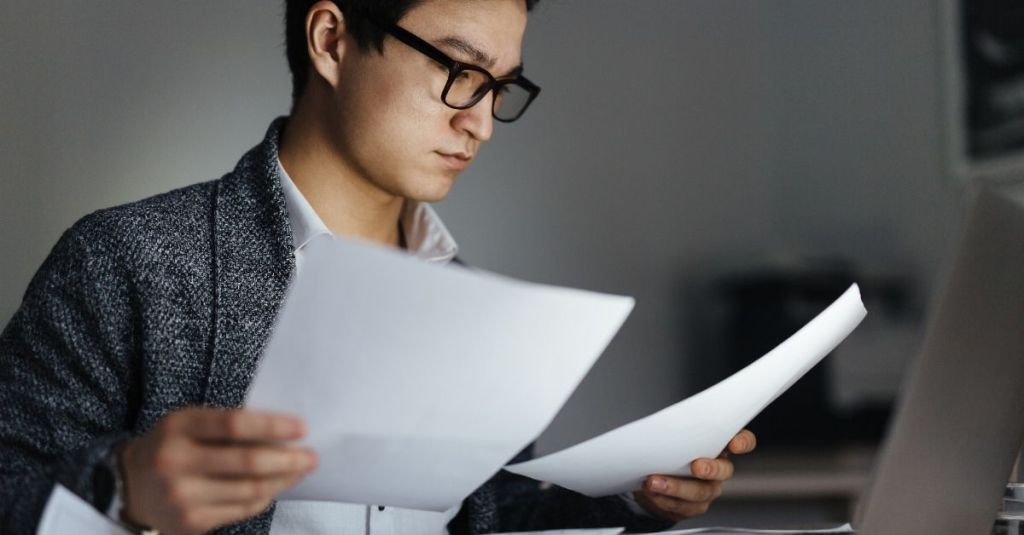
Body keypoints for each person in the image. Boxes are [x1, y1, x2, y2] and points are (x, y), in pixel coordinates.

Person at [0, 1, 757, 533]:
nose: (482, 123)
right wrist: (124, 488)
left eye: (501, 87)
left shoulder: (465, 298)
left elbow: (487, 514)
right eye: (461, 71)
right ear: (331, 40)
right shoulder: (128, 260)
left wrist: (637, 498)